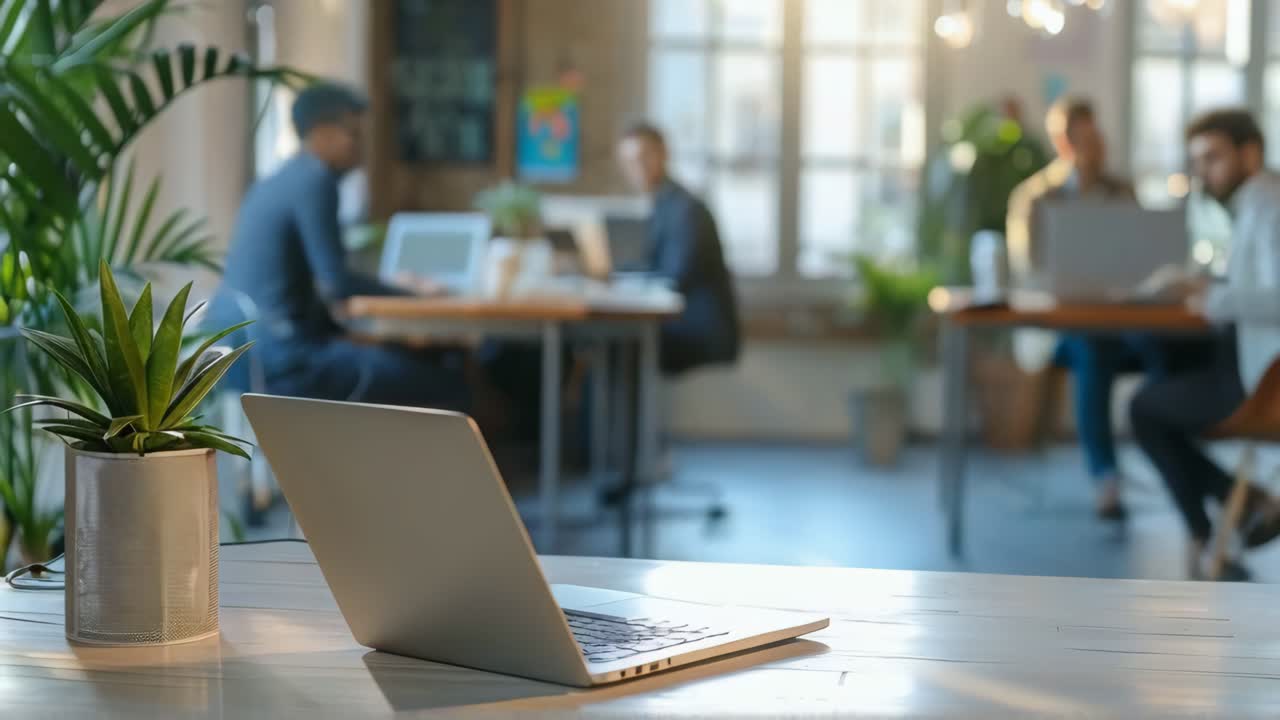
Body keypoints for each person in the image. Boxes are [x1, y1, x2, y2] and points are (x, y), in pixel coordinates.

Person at [206, 83, 468, 409]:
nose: (360, 147)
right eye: (354, 133)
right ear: (321, 131)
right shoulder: (316, 180)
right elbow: (337, 282)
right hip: (288, 362)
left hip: (242, 355)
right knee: (448, 383)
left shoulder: (275, 181)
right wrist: (416, 294)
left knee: (406, 360)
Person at [1130, 109, 1280, 580]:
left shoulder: (1271, 207)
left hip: (1263, 386)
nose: (1203, 172)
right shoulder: (1254, 208)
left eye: (1213, 157)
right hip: (1244, 364)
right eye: (1197, 160)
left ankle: (1205, 531)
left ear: (1250, 153)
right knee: (1158, 357)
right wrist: (1204, 283)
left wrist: (1210, 295)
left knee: (1145, 410)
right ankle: (1244, 505)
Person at [1006, 97, 1158, 520]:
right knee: (1093, 351)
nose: (1090, 143)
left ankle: (1173, 456)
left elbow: (1143, 257)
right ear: (1062, 141)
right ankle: (1106, 476)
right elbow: (1029, 272)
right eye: (1080, 136)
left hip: (1120, 320)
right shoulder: (1035, 198)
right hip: (1059, 330)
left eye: (1094, 134)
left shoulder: (1120, 191)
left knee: (1168, 348)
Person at [616, 123, 741, 375]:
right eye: (628, 162)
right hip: (680, 322)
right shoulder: (664, 203)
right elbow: (653, 265)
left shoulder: (686, 209)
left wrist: (617, 278)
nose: (636, 168)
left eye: (643, 157)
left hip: (697, 329)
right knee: (605, 346)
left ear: (664, 153)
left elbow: (674, 275)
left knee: (613, 348)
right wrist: (612, 272)